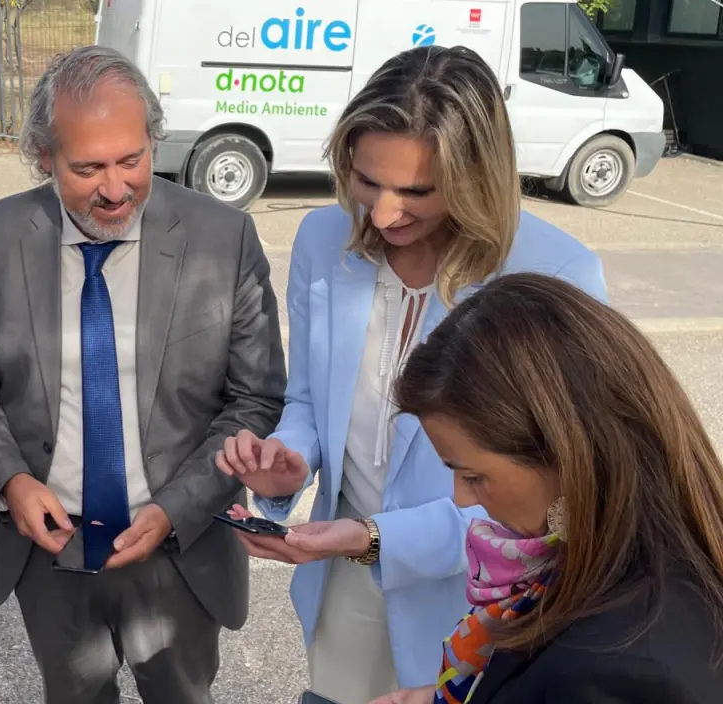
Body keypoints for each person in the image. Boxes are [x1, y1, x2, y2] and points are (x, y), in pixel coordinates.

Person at [213, 45, 608, 704]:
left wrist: (375, 538)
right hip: (344, 578)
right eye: (367, 181)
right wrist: (289, 461)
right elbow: (308, 399)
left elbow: (552, 497)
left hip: (483, 602)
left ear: (479, 176)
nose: (382, 214)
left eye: (417, 192)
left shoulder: (558, 273)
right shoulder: (322, 239)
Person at [0, 44, 286, 703]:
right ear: (43, 156)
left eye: (132, 159)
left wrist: (175, 509)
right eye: (88, 167)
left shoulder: (223, 237)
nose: (115, 188)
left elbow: (255, 396)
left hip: (180, 546)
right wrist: (11, 480)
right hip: (50, 549)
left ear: (153, 139)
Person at [370, 272, 723, 704]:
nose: (463, 498)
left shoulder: (616, 670)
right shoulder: (629, 567)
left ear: (564, 454)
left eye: (474, 477)